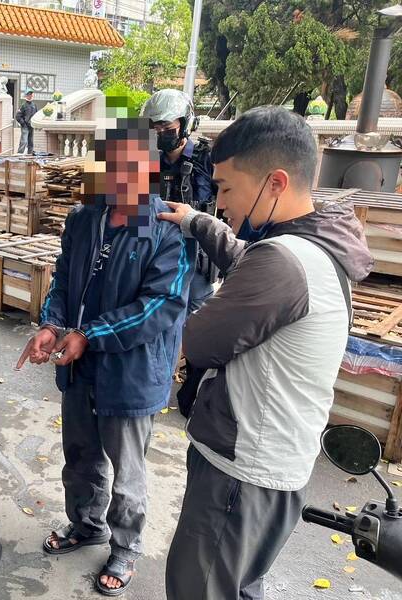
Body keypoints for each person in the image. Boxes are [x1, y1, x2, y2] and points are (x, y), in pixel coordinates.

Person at [158, 106, 373, 600]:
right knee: (240, 587)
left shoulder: (281, 262)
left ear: (275, 183)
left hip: (241, 476)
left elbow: (202, 340)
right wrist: (195, 222)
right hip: (279, 469)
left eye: (228, 188)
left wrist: (196, 309)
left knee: (201, 588)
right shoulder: (315, 247)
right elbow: (244, 259)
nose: (220, 201)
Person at [16, 101, 191, 596]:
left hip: (132, 372)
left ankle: (126, 546)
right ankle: (86, 524)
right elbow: (64, 281)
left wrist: (90, 333)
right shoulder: (85, 218)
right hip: (79, 366)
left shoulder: (169, 229)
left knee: (128, 471)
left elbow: (160, 306)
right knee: (81, 454)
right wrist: (52, 325)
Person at [142, 88, 216, 312]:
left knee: (198, 321)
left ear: (185, 124)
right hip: (154, 253)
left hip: (195, 258)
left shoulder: (208, 159)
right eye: (155, 128)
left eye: (167, 128)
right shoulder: (146, 161)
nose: (161, 133)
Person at [16, 88, 37, 155]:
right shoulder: (23, 105)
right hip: (25, 126)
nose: (30, 95)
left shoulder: (34, 105)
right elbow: (18, 116)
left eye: (31, 94)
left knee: (31, 142)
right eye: (28, 94)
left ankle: (30, 154)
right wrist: (23, 123)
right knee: (24, 141)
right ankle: (19, 153)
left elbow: (36, 114)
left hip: (31, 126)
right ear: (26, 95)